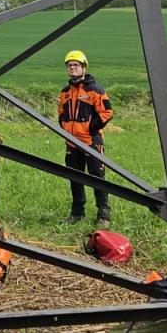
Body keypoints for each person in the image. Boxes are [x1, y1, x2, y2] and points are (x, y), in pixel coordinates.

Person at [58, 49, 113, 225]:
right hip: (71, 143)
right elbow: (60, 113)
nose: (72, 68)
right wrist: (65, 127)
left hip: (91, 142)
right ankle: (77, 213)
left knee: (97, 178)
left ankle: (103, 215)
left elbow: (107, 112)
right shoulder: (64, 92)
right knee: (75, 178)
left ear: (84, 67)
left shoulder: (95, 90)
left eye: (76, 65)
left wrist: (90, 128)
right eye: (70, 65)